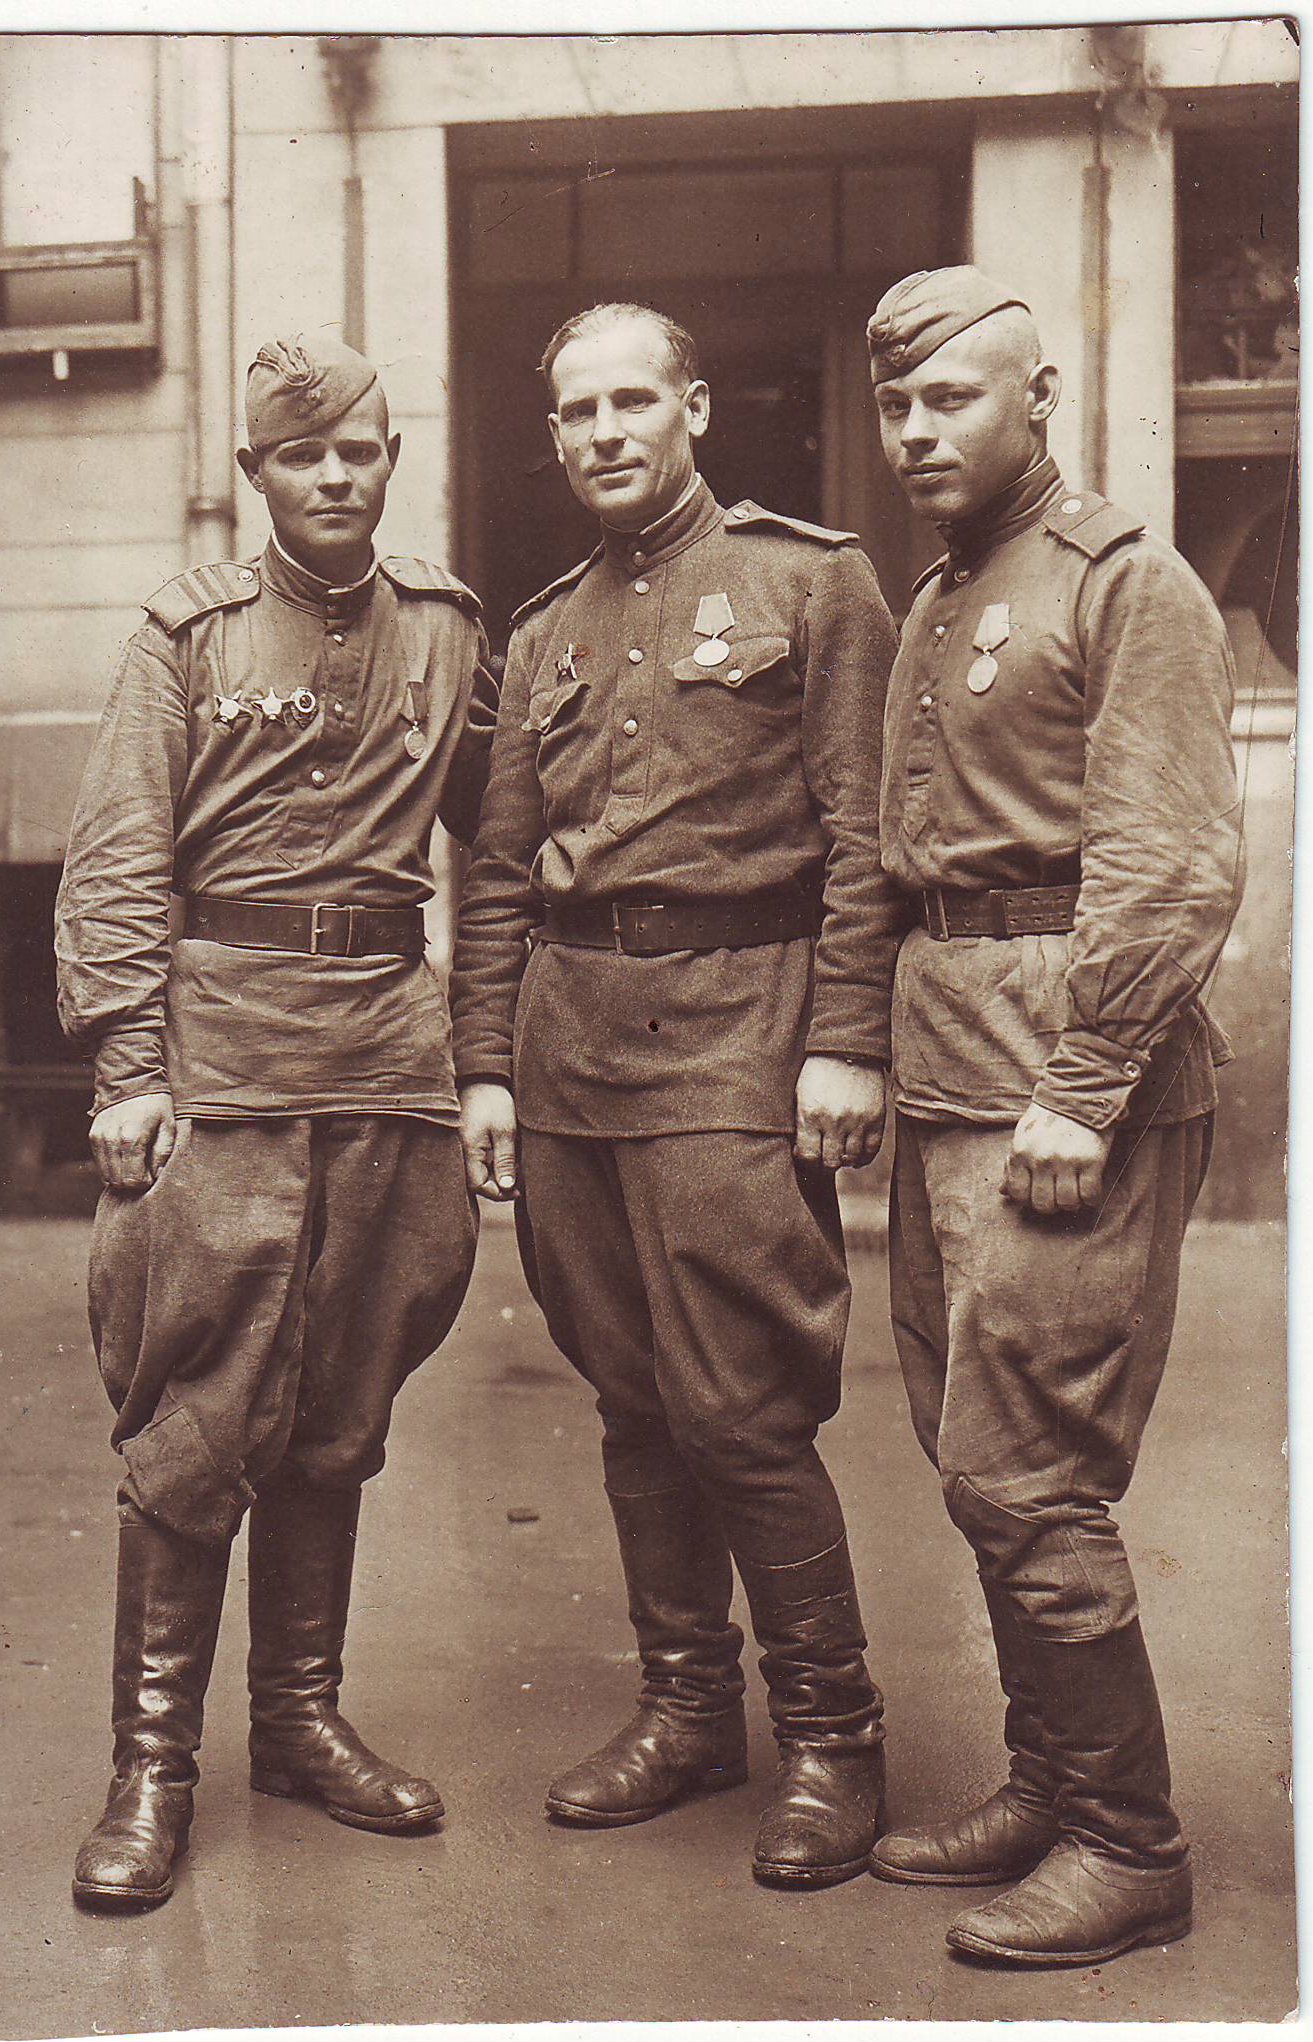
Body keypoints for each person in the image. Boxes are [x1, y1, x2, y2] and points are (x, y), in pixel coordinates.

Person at [449, 302, 902, 1888]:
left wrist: (847, 1037)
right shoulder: (543, 629)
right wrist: (484, 1065)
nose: (605, 433)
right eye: (578, 412)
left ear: (695, 408)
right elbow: (500, 868)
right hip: (571, 1044)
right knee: (632, 1396)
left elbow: (864, 833)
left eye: (633, 401)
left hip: (737, 1028)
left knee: (740, 1405)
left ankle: (832, 1734)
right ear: (553, 436)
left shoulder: (810, 581)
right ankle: (688, 1710)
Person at [54, 330, 497, 1911]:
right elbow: (118, 852)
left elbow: (503, 848)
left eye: (358, 449)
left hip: (385, 1056)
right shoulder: (189, 631)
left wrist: (483, 1052)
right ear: (255, 473)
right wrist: (129, 1066)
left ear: (390, 459)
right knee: (197, 1415)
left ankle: (299, 1721)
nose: (334, 475)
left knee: (339, 1406)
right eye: (302, 455)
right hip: (226, 1059)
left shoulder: (447, 628)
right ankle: (151, 1766)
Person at [863, 267, 1242, 1964]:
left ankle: (1126, 1842)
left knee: (1029, 1473)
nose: (915, 428)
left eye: (950, 396)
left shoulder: (1121, 580)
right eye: (896, 403)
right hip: (953, 1065)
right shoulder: (943, 593)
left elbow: (1172, 857)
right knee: (974, 1459)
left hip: (1064, 1082)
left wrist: (1082, 1088)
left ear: (1038, 400)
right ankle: (1046, 1778)